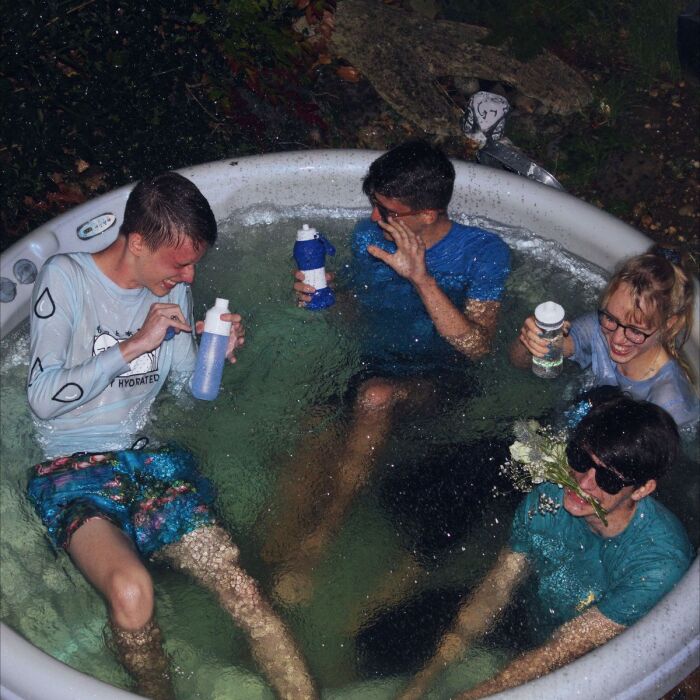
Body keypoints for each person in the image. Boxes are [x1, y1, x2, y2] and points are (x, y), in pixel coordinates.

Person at [25, 172, 316, 700]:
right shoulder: (65, 277)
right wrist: (136, 343)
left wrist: (214, 357)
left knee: (242, 588)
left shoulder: (174, 286)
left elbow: (187, 395)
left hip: (147, 461)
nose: (189, 275)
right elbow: (42, 397)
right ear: (137, 242)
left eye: (194, 264)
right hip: (72, 468)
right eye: (179, 263)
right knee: (131, 591)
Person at [261, 140, 511, 600]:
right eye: (375, 205)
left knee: (376, 397)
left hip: (441, 378)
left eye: (388, 211)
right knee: (316, 422)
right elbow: (358, 316)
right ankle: (272, 548)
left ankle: (319, 543)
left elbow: (477, 347)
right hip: (373, 364)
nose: (375, 217)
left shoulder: (483, 252)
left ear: (428, 214)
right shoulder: (368, 237)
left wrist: (421, 278)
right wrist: (327, 297)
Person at [398, 395, 694, 700]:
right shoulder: (548, 499)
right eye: (581, 460)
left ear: (643, 489)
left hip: (599, 666)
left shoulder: (657, 566)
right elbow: (496, 589)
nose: (584, 483)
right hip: (535, 621)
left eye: (608, 478)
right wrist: (421, 682)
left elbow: (561, 650)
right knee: (391, 637)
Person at [510, 246, 698, 428]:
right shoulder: (599, 328)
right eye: (611, 318)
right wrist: (534, 339)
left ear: (668, 324)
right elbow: (519, 361)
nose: (616, 339)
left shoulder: (670, 404)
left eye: (635, 331)